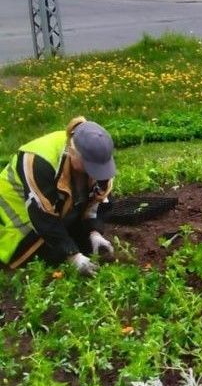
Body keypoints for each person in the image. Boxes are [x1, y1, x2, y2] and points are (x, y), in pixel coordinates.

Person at [0, 117, 117, 276]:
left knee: (85, 245)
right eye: (89, 167)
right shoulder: (39, 160)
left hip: (51, 210)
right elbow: (42, 215)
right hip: (16, 218)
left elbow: (100, 198)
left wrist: (94, 232)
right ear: (72, 152)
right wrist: (73, 256)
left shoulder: (98, 155)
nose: (95, 173)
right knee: (51, 259)